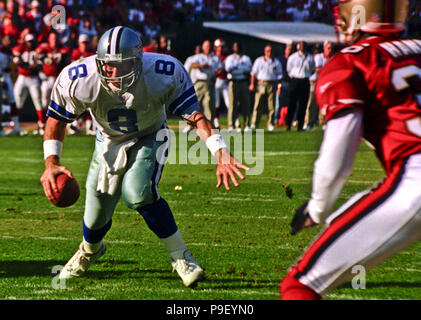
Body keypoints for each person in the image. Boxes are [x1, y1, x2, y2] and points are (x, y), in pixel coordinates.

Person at [40, 26, 249, 288]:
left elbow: (195, 118)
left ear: (138, 62)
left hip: (150, 136)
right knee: (95, 219)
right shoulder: (79, 76)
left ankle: (181, 257)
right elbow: (56, 120)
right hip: (107, 142)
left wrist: (221, 152)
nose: (112, 73)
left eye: (121, 65)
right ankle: (88, 250)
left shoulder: (164, 71)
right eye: (107, 66)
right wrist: (52, 164)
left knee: (137, 192)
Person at [281, 0, 421, 300]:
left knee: (300, 285)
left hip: (416, 176)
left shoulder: (353, 60)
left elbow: (339, 153)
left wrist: (318, 208)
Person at [12, 33, 44, 135]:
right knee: (17, 100)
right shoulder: (21, 49)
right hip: (22, 77)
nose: (30, 43)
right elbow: (17, 62)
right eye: (28, 41)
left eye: (31, 41)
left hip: (33, 78)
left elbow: (39, 66)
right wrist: (30, 66)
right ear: (25, 42)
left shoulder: (38, 50)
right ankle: (15, 125)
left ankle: (42, 125)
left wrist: (27, 66)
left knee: (37, 101)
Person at [249, 44, 283, 131]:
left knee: (271, 105)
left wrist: (279, 87)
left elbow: (279, 76)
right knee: (258, 104)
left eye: (271, 51)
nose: (269, 53)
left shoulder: (276, 62)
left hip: (272, 83)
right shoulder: (259, 61)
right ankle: (254, 123)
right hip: (262, 83)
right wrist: (252, 84)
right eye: (268, 51)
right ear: (265, 52)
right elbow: (253, 73)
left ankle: (270, 123)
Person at [189, 40, 223, 124]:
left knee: (209, 105)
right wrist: (202, 66)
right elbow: (192, 65)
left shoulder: (215, 58)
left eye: (209, 46)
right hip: (200, 83)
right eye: (206, 46)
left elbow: (221, 69)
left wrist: (216, 75)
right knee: (195, 104)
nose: (208, 48)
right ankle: (191, 124)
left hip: (210, 82)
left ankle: (209, 124)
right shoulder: (199, 56)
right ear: (203, 47)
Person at [285, 41, 315, 131]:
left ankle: (300, 126)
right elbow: (288, 69)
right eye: (301, 46)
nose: (303, 47)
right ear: (298, 47)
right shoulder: (293, 57)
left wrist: (307, 75)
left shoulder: (310, 57)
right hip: (295, 80)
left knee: (303, 104)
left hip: (305, 81)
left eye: (304, 46)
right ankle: (288, 124)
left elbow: (312, 69)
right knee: (292, 103)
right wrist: (294, 77)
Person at [304, 41, 332, 130]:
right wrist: (328, 69)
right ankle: (308, 122)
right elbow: (317, 69)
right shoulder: (318, 57)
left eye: (331, 48)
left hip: (325, 82)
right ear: (324, 48)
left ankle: (323, 122)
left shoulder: (332, 58)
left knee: (324, 103)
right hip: (315, 81)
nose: (330, 50)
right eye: (328, 48)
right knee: (312, 103)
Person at [224, 41, 252, 132]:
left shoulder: (246, 58)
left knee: (246, 104)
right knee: (232, 104)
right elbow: (229, 69)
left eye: (238, 46)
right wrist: (240, 69)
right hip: (233, 82)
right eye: (235, 46)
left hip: (243, 82)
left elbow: (249, 70)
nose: (237, 48)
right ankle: (231, 125)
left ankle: (247, 124)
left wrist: (237, 69)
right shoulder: (230, 58)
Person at [212, 38, 229, 130]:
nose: (220, 49)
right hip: (216, 81)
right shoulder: (212, 56)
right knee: (216, 103)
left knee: (229, 103)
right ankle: (216, 120)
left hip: (225, 81)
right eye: (219, 47)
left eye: (222, 47)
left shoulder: (227, 56)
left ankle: (234, 121)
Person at [274, 43, 292, 127]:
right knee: (278, 103)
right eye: (288, 49)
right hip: (282, 83)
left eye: (291, 49)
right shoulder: (280, 59)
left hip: (291, 82)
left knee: (291, 102)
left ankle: (291, 119)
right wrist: (279, 85)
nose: (289, 51)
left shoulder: (293, 59)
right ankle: (275, 119)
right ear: (285, 50)